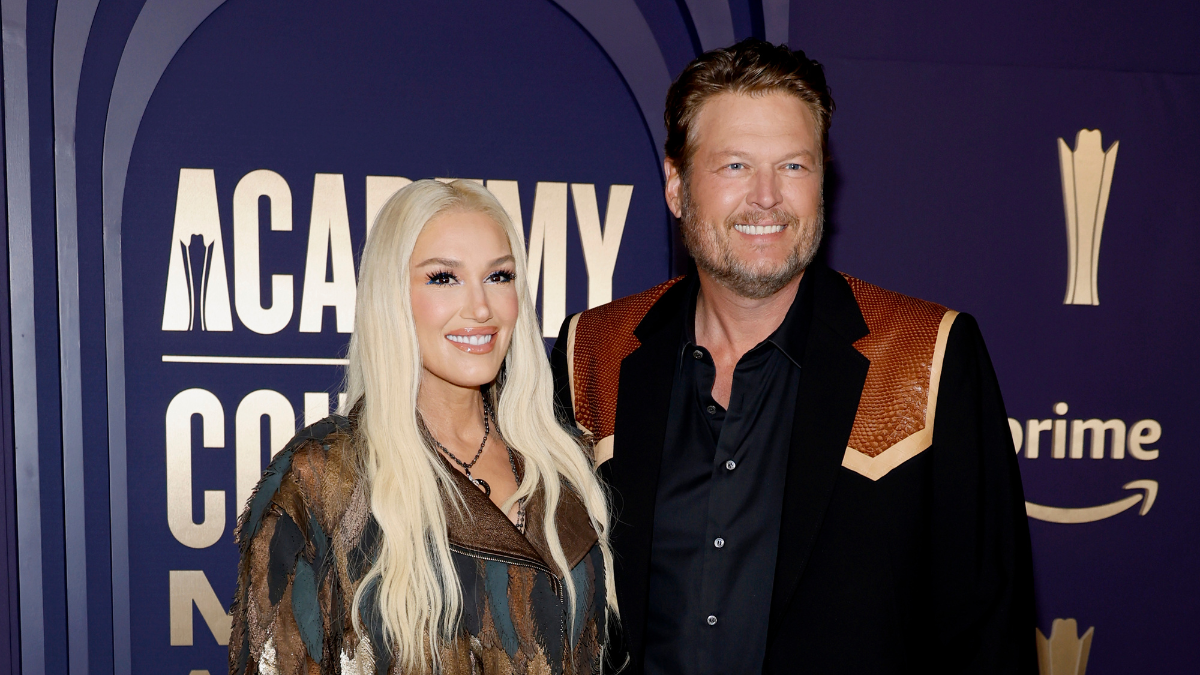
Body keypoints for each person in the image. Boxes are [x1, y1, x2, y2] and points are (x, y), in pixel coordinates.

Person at [552, 39, 1036, 673]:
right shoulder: (594, 351)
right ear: (676, 186)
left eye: (793, 166)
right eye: (734, 166)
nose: (767, 197)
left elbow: (990, 633)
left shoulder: (927, 353)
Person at [229, 180, 619, 675]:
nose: (481, 307)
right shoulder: (322, 478)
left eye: (499, 276)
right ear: (392, 295)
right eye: (444, 278)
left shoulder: (563, 467)